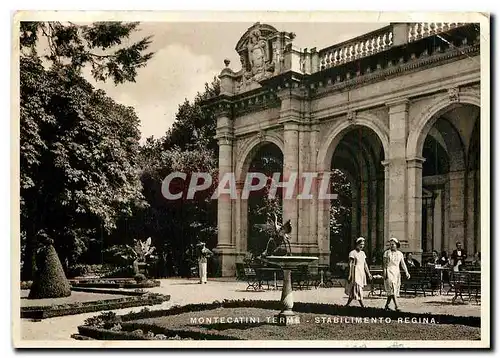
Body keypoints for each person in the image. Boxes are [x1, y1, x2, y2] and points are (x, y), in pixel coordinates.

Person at [383, 238, 411, 311]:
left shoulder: (400, 254)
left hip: (396, 272)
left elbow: (403, 264)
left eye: (393, 244)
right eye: (390, 244)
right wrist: (385, 272)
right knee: (392, 288)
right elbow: (385, 264)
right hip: (389, 271)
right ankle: (397, 306)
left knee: (393, 290)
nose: (391, 246)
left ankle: (387, 305)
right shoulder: (387, 253)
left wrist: (407, 272)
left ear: (396, 245)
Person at [345, 237, 372, 308]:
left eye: (363, 244)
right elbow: (350, 264)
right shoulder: (352, 253)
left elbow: (365, 264)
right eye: (360, 244)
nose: (362, 246)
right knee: (358, 288)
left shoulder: (363, 253)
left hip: (361, 272)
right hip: (355, 272)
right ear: (356, 244)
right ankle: (362, 305)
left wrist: (368, 273)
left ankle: (347, 305)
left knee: (355, 289)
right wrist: (350, 275)